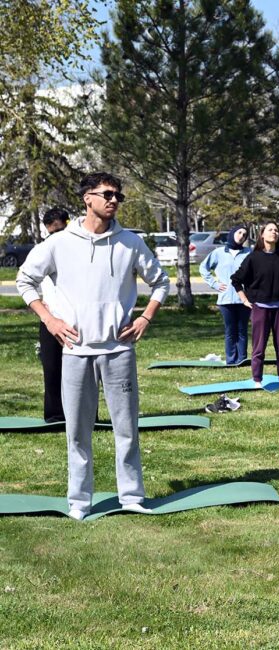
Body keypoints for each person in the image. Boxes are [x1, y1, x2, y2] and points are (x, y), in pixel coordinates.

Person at [16, 172, 170, 520]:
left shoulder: (130, 242)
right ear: (88, 198)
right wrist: (49, 319)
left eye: (118, 196)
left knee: (126, 429)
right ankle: (79, 502)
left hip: (118, 350)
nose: (114, 200)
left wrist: (145, 317)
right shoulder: (59, 243)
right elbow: (25, 280)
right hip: (75, 352)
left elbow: (160, 283)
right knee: (77, 432)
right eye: (107, 194)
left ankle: (131, 496)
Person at [231, 221, 279, 387]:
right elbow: (236, 280)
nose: (274, 233)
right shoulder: (254, 257)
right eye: (270, 230)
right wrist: (245, 300)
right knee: (259, 347)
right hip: (260, 308)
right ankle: (257, 379)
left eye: (276, 230)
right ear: (262, 234)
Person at [36, 207, 70, 422]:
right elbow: (26, 279)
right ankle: (55, 414)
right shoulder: (44, 249)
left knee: (83, 371)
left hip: (76, 317)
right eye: (52, 231)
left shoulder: (78, 247)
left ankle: (86, 413)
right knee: (52, 367)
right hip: (50, 318)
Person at [199, 225, 251, 365]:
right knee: (230, 331)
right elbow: (203, 268)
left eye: (244, 234)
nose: (241, 236)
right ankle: (231, 360)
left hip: (244, 300)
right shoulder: (219, 253)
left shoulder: (249, 253)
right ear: (233, 233)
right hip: (225, 299)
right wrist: (214, 284)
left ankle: (242, 359)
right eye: (239, 232)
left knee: (242, 330)